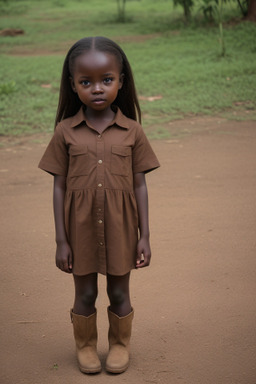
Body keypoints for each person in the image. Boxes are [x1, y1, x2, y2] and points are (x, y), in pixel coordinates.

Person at [38, 36, 160, 374]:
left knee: (120, 293)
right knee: (86, 293)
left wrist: (145, 235)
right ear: (73, 84)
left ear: (120, 82)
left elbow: (140, 185)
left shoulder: (133, 132)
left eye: (106, 80)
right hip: (80, 231)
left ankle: (120, 344)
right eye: (86, 81)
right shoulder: (65, 132)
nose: (97, 88)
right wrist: (61, 240)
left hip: (122, 229)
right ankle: (86, 346)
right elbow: (59, 187)